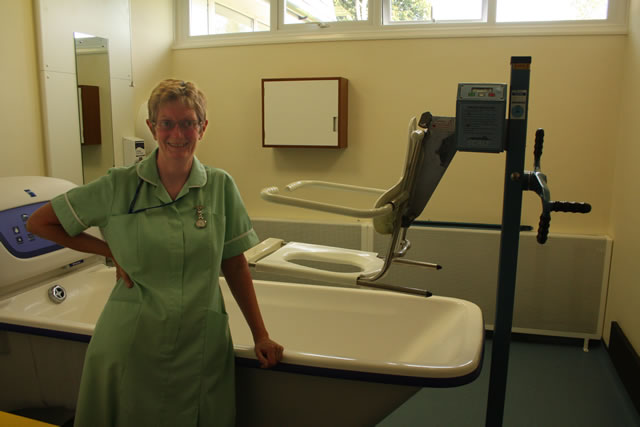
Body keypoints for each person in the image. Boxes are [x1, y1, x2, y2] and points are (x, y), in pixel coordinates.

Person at [27, 79, 284, 426]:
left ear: (202, 128)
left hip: (200, 343)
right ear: (152, 127)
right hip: (132, 342)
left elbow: (235, 263)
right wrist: (108, 250)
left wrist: (260, 335)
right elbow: (40, 223)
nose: (177, 133)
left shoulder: (220, 186)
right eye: (166, 123)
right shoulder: (118, 185)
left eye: (188, 122)